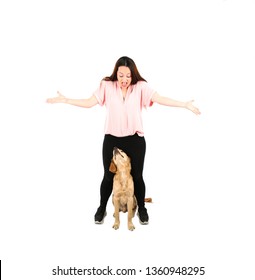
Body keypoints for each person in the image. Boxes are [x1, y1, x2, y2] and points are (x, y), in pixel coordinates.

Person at [46, 56, 200, 225]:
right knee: (108, 176)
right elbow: (89, 102)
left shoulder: (141, 87)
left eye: (128, 76)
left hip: (135, 140)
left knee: (137, 176)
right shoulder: (106, 85)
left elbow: (160, 98)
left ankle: (141, 208)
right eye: (121, 75)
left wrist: (184, 104)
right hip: (112, 139)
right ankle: (101, 208)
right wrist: (66, 100)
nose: (124, 79)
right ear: (116, 73)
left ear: (133, 75)